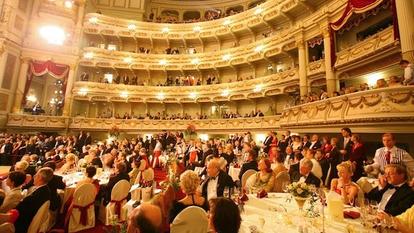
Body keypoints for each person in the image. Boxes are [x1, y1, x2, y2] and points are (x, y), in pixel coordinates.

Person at [0, 167, 53, 233]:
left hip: (20, 225)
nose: (34, 176)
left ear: (40, 178)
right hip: (24, 219)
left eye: (36, 174)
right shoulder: (46, 191)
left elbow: (15, 214)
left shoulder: (35, 197)